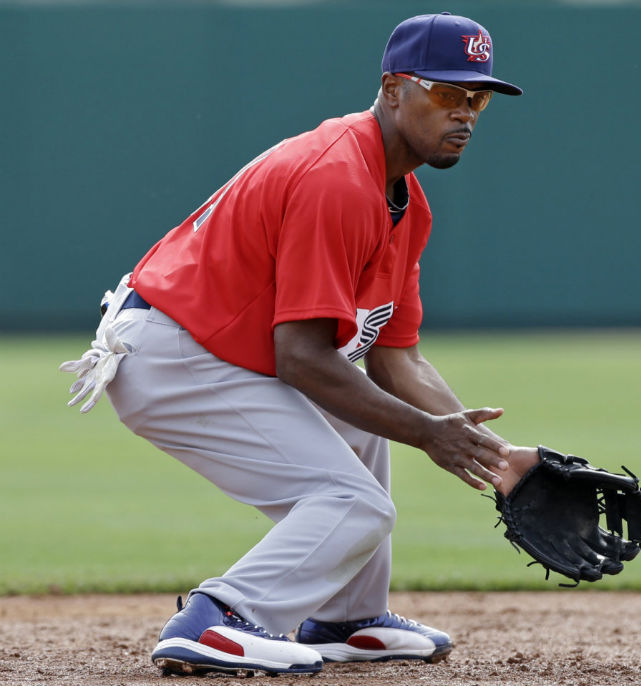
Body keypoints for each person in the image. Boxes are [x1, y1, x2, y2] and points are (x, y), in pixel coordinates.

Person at [59, 12, 539, 678]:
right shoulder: (336, 178)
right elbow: (303, 360)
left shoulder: (406, 202)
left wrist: (497, 458)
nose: (465, 113)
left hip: (213, 351)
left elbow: (395, 359)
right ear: (395, 89)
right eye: (446, 93)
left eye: (477, 98)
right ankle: (219, 616)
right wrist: (430, 435)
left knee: (363, 421)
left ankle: (347, 616)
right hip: (173, 353)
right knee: (355, 504)